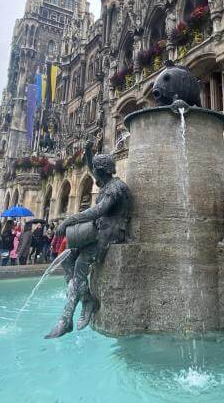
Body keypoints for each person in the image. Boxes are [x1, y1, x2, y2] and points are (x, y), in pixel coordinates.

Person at [47, 140, 131, 339]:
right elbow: (91, 167)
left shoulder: (115, 188)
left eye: (96, 171)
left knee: (80, 266)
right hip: (97, 230)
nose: (94, 175)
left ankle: (65, 319)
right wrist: (87, 151)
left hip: (111, 233)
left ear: (103, 171)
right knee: (68, 259)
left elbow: (98, 211)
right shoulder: (106, 181)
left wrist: (69, 220)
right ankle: (86, 299)